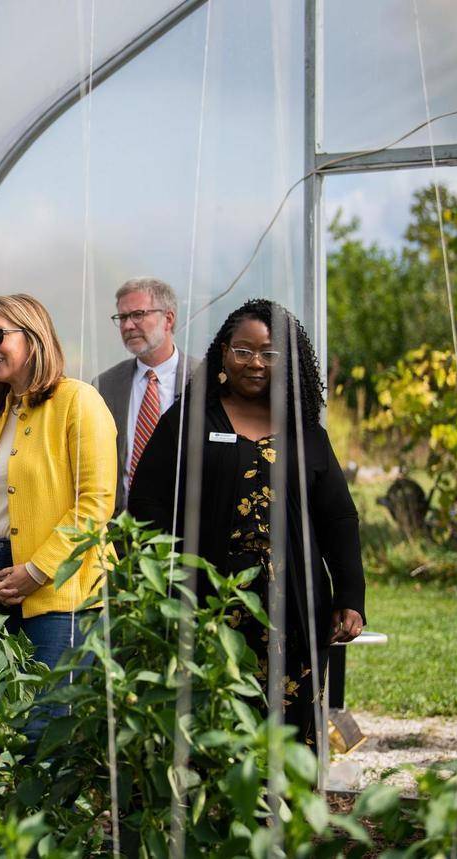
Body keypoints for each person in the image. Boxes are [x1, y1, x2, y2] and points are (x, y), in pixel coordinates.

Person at [127, 298, 366, 746]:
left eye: (270, 353)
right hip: (206, 608)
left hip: (295, 609)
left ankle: (285, 815)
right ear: (223, 354)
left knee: (290, 732)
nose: (255, 363)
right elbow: (147, 505)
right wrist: (161, 582)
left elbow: (339, 517)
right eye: (243, 350)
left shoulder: (305, 431)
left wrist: (351, 597)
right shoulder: (188, 420)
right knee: (208, 727)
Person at [0, 294, 117, 720]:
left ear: (34, 338)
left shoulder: (78, 401)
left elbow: (96, 502)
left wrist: (37, 569)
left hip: (63, 590)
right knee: (7, 723)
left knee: (45, 729)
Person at [94, 277, 199, 513]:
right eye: (122, 317)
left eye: (138, 314)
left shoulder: (205, 380)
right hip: (121, 535)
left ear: (168, 319)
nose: (128, 325)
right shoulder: (105, 386)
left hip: (184, 533)